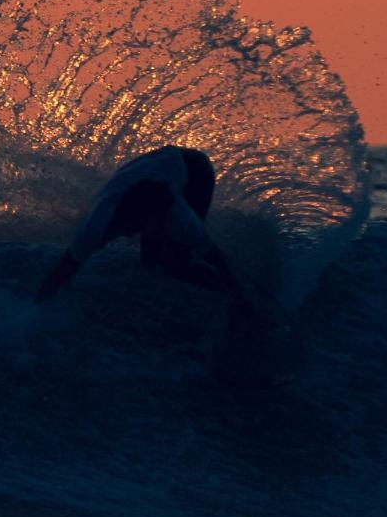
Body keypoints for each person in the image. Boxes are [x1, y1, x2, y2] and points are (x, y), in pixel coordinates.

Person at [36, 146, 276, 377]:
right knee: (149, 261)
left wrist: (238, 295)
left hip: (195, 171)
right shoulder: (98, 222)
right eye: (152, 223)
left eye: (161, 223)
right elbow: (64, 268)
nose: (162, 228)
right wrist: (36, 310)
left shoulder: (181, 220)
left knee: (175, 265)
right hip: (148, 168)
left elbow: (215, 256)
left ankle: (236, 295)